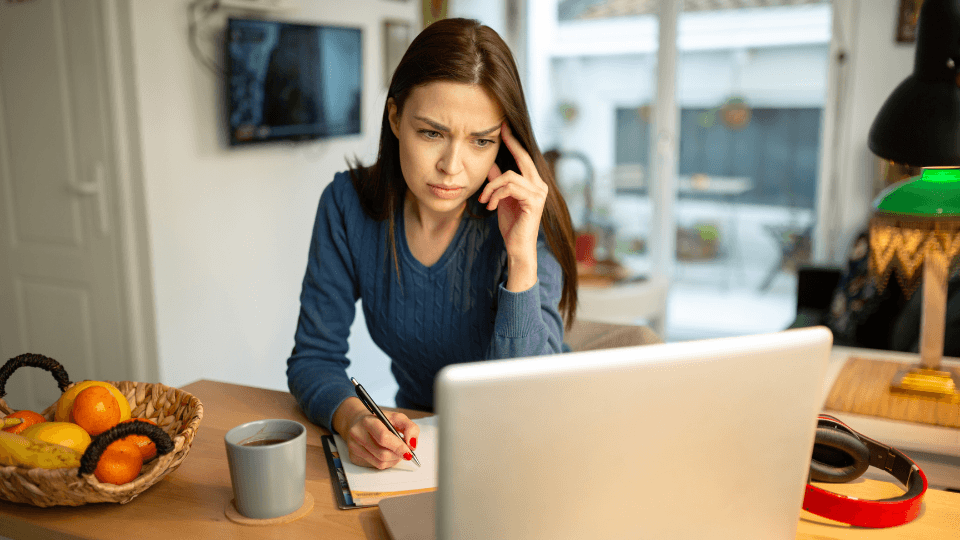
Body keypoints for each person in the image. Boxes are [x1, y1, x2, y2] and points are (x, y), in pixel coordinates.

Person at [286, 18, 578, 470]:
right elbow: (314, 357)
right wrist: (354, 418)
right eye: (432, 133)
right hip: (422, 450)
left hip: (530, 451)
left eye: (480, 141)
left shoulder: (523, 217)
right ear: (395, 117)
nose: (452, 167)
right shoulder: (346, 206)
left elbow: (532, 398)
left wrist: (520, 259)